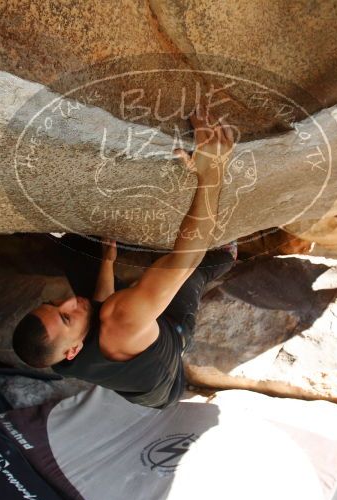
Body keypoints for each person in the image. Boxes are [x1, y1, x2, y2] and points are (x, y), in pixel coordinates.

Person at [12, 110, 237, 409]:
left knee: (75, 250)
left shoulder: (61, 351)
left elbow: (100, 306)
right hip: (166, 364)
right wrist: (212, 172)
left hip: (123, 351)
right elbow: (187, 257)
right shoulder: (124, 321)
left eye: (54, 304)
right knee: (195, 269)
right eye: (66, 316)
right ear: (73, 351)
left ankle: (95, 260)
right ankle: (225, 258)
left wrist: (107, 262)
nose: (67, 301)